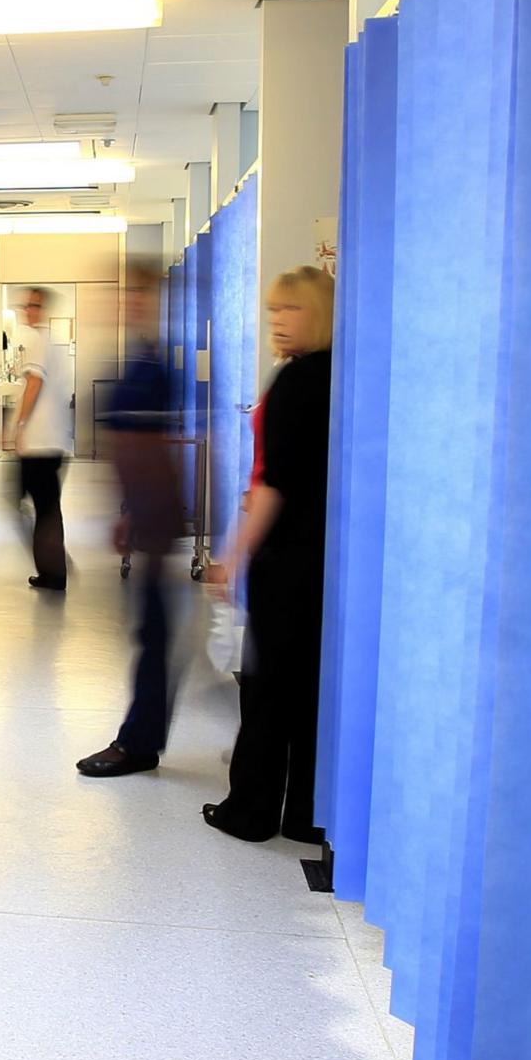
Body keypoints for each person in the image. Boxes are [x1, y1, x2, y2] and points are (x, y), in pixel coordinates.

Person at [202, 266, 335, 842]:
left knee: (265, 687)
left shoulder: (296, 381)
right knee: (308, 687)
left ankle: (249, 810)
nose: (278, 321)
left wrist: (233, 555)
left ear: (320, 313)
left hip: (287, 557)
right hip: (324, 553)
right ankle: (307, 812)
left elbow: (275, 484)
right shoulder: (338, 375)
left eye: (291, 310)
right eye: (274, 311)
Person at [77, 269, 188, 779]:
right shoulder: (138, 361)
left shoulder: (151, 367)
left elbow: (148, 449)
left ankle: (138, 743)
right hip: (146, 511)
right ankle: (142, 736)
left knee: (156, 630)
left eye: (133, 295)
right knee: (153, 628)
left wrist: (143, 517)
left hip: (155, 514)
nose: (123, 304)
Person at [7, 287, 76, 591]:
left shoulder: (35, 341)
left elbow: (34, 383)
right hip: (53, 441)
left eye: (34, 306)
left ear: (43, 310)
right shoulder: (52, 344)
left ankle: (54, 568)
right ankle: (54, 564)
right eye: (26, 305)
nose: (28, 311)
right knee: (45, 507)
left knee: (30, 505)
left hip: (39, 444)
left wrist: (19, 426)